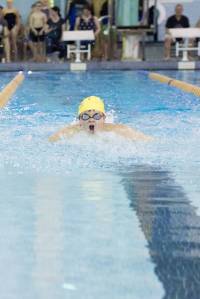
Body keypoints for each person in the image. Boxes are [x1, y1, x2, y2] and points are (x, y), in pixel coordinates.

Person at [49, 96, 152, 142]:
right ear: (79, 120)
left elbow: (145, 140)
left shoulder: (116, 130)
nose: (91, 120)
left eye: (96, 116)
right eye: (85, 116)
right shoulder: (71, 130)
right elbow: (50, 141)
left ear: (104, 118)